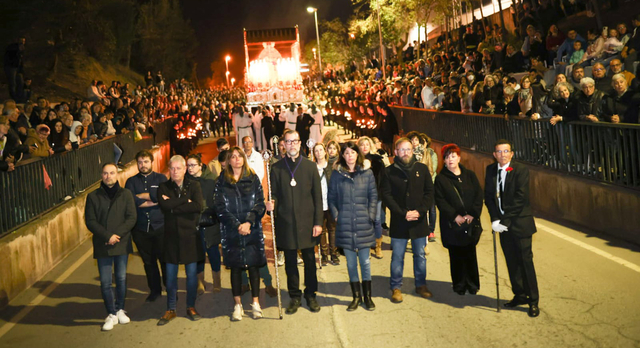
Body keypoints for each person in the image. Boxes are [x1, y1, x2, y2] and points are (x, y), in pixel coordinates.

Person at [265, 130, 323, 314]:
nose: (291, 145)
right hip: (286, 223)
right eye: (288, 142)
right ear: (283, 144)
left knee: (309, 262)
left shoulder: (310, 167)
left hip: (308, 223)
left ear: (300, 144)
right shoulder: (276, 168)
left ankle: (311, 295)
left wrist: (318, 223)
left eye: (294, 141)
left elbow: (318, 198)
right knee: (290, 262)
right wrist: (270, 202)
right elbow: (273, 194)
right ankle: (295, 296)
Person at [484, 139, 540, 318]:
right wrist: (494, 219)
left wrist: (504, 222)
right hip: (502, 225)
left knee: (525, 262)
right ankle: (519, 294)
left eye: (506, 151)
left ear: (512, 153)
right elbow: (489, 197)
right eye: (499, 152)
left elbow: (520, 199)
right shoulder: (491, 170)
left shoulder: (521, 170)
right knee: (511, 261)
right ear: (494, 155)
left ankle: (533, 301)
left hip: (519, 224)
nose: (502, 155)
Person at [379, 137, 435, 303]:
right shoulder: (389, 171)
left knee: (419, 255)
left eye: (408, 149)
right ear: (396, 152)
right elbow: (387, 196)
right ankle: (396, 287)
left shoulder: (422, 169)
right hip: (399, 221)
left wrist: (420, 211)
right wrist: (403, 213)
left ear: (412, 151)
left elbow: (429, 193)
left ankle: (421, 285)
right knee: (397, 256)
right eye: (401, 150)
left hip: (419, 221)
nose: (405, 153)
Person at [214, 147, 267, 321]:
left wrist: (249, 222)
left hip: (251, 229)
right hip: (231, 231)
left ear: (244, 159)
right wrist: (237, 225)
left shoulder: (252, 179)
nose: (237, 159)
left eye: (239, 156)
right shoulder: (221, 181)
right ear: (228, 161)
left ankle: (255, 303)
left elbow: (260, 204)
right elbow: (220, 208)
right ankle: (237, 305)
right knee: (235, 268)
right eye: (233, 157)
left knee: (253, 267)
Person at [84, 163, 137, 331]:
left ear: (117, 174)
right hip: (103, 244)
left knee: (121, 278)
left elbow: (131, 217)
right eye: (105, 173)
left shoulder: (126, 194)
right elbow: (90, 221)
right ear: (102, 175)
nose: (109, 176)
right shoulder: (93, 196)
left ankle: (120, 309)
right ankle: (111, 313)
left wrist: (116, 236)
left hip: (121, 243)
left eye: (112, 173)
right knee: (106, 282)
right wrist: (107, 236)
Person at [328, 141, 378, 311]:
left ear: (358, 154)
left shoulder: (367, 173)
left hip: (364, 223)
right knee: (350, 263)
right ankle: (356, 297)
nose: (350, 156)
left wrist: (370, 216)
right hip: (345, 224)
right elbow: (332, 198)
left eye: (352, 152)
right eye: (346, 153)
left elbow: (373, 196)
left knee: (365, 262)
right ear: (342, 155)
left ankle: (368, 297)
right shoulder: (337, 175)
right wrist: (337, 216)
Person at [157, 155, 204, 325]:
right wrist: (185, 201)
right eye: (172, 168)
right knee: (170, 278)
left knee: (191, 277)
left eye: (178, 168)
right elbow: (165, 207)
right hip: (170, 238)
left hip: (190, 237)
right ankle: (170, 309)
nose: (175, 171)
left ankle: (190, 306)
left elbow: (198, 207)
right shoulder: (163, 187)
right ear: (168, 169)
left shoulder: (194, 185)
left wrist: (174, 205)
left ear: (185, 169)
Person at [434, 144, 483, 295]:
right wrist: (454, 216)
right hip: (452, 223)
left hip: (469, 221)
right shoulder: (441, 179)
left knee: (470, 252)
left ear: (459, 158)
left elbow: (478, 195)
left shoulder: (470, 175)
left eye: (453, 156)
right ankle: (459, 284)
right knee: (456, 254)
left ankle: (473, 283)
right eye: (447, 157)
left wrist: (472, 214)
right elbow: (440, 200)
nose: (450, 160)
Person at [124, 150, 168, 302]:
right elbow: (130, 202)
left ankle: (170, 288)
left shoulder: (161, 178)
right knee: (148, 263)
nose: (143, 165)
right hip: (141, 229)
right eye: (140, 162)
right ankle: (155, 290)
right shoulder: (130, 182)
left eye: (146, 162)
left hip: (160, 227)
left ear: (152, 162)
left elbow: (162, 197)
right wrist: (153, 199)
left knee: (164, 260)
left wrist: (142, 197)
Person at [186, 154, 221, 294]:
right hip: (193, 222)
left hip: (209, 221)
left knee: (213, 251)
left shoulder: (211, 179)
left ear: (201, 165)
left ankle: (217, 281)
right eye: (188, 165)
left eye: (193, 165)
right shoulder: (185, 181)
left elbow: (215, 199)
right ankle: (200, 281)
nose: (190, 168)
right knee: (197, 252)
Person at [356, 136, 385, 258]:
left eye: (367, 145)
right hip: (360, 196)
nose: (364, 147)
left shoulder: (377, 160)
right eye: (362, 145)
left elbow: (383, 178)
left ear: (370, 146)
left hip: (375, 195)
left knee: (377, 220)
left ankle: (377, 246)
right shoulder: (355, 160)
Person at [312, 142, 338, 266]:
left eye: (321, 150)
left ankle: (334, 253)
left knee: (332, 229)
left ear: (325, 151)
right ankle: (324, 255)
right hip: (318, 204)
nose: (319, 153)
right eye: (316, 151)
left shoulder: (331, 167)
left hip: (331, 203)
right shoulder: (312, 168)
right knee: (321, 230)